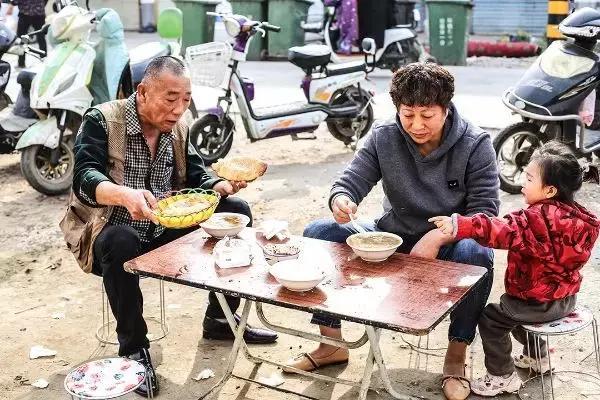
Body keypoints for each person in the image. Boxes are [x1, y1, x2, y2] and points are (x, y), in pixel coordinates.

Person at [59, 56, 276, 397]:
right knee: (121, 240)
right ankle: (133, 348)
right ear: (143, 92)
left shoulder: (179, 127)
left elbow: (195, 174)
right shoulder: (102, 120)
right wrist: (123, 196)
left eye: (186, 99)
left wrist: (216, 185)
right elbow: (84, 178)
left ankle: (221, 319)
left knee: (236, 210)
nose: (179, 109)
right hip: (107, 232)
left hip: (164, 228)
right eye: (171, 98)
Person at [284, 62, 500, 400]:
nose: (416, 125)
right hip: (392, 236)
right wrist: (341, 200)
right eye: (407, 114)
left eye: (427, 115)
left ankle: (456, 357)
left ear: (446, 108)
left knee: (478, 254)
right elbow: (350, 181)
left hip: (451, 242)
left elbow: (486, 215)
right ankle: (331, 344)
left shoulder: (475, 143)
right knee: (318, 232)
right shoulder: (384, 135)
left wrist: (442, 234)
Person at [430, 141, 600, 397]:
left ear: (550, 190)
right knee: (513, 312)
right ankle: (538, 357)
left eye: (530, 178)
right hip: (565, 299)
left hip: (536, 302)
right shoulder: (582, 218)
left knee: (492, 318)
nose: (523, 180)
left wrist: (460, 225)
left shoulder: (535, 219)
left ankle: (502, 375)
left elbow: (498, 230)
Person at [6, 0, 47, 68]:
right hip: (37, 13)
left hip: (26, 14)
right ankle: (44, 59)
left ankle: (21, 63)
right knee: (40, 38)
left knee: (23, 39)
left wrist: (11, 4)